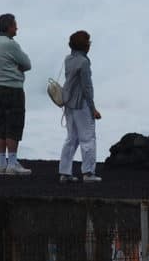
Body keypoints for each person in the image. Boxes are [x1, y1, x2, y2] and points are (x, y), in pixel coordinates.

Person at [0, 13, 33, 176]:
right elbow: (27, 64)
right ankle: (12, 163)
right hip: (12, 88)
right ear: (8, 27)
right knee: (14, 124)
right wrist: (17, 67)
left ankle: (1, 163)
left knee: (0, 125)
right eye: (15, 25)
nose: (17, 28)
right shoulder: (11, 44)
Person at [59, 30, 103, 183]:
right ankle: (88, 173)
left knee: (71, 138)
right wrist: (93, 109)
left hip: (68, 103)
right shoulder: (84, 62)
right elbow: (87, 88)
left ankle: (65, 172)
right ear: (85, 45)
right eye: (88, 42)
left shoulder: (68, 59)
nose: (90, 44)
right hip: (81, 104)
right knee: (88, 137)